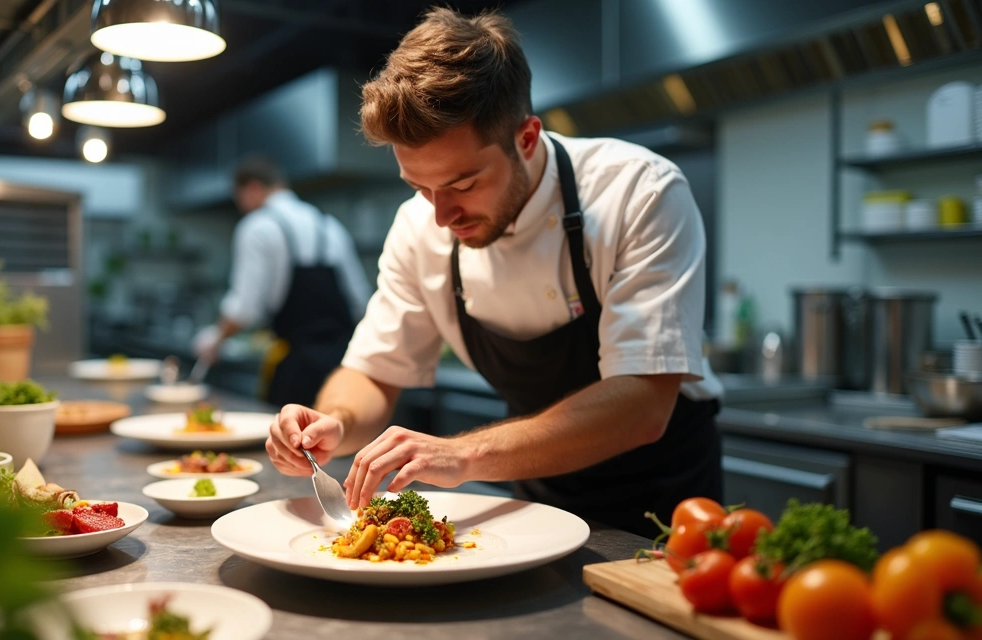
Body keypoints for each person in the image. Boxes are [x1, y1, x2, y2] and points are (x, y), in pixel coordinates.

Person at [264, 7, 724, 537]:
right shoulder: (419, 228)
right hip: (537, 501)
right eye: (419, 187)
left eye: (461, 185)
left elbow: (642, 403)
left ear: (526, 139)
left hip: (668, 508)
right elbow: (373, 372)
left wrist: (462, 454)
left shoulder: (639, 192)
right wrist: (335, 422)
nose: (440, 214)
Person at [194, 156, 372, 407]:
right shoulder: (330, 225)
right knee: (340, 440)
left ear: (252, 189)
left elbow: (244, 309)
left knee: (291, 441)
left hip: (296, 369)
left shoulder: (257, 226)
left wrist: (215, 338)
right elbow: (360, 302)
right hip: (343, 367)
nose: (242, 207)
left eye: (240, 200)